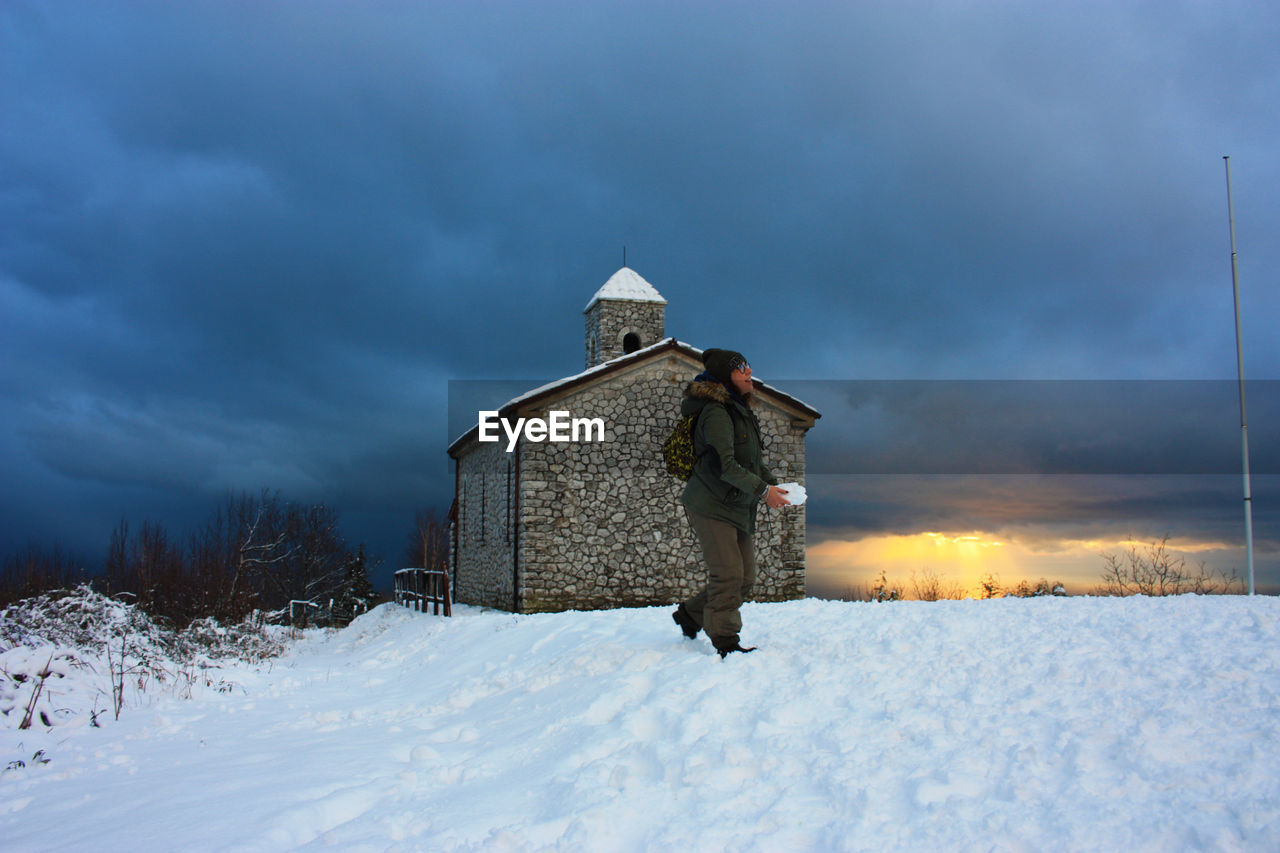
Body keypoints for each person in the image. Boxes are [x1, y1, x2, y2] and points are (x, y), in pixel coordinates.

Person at [672, 348, 790, 657]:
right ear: (727, 376)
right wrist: (763, 492)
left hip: (737, 504)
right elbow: (727, 466)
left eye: (748, 365)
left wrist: (775, 487)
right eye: (742, 368)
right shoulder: (716, 413)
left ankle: (690, 615)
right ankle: (725, 641)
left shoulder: (740, 410)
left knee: (745, 577)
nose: (750, 372)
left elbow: (751, 462)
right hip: (710, 504)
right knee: (728, 574)